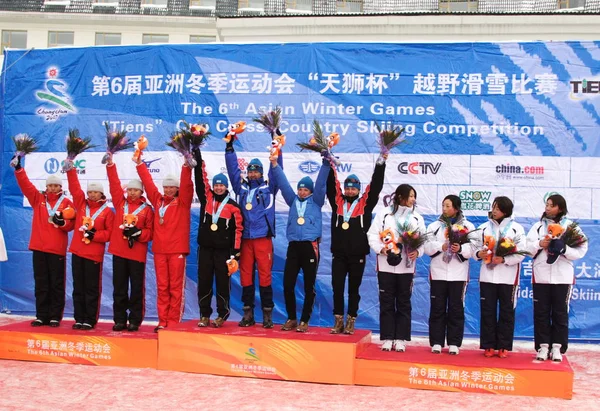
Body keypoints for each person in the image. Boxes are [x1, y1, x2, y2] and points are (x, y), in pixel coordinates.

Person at [326, 155, 387, 335]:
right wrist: (329, 161)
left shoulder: (365, 204)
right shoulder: (337, 202)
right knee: (337, 287)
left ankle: (351, 320)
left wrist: (380, 164)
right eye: (348, 188)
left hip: (357, 255)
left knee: (354, 289)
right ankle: (338, 321)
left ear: (358, 190)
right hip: (339, 254)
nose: (350, 191)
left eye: (354, 188)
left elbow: (375, 186)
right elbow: (331, 184)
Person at [12, 156, 75, 327]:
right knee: (41, 283)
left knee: (56, 284)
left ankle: (55, 316)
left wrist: (63, 224)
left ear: (61, 188)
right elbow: (26, 185)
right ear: (46, 187)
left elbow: (71, 225)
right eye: (50, 185)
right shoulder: (38, 199)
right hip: (39, 248)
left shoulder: (67, 203)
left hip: (56, 249)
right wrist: (19, 169)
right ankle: (41, 315)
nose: (53, 188)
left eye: (56, 185)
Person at [225, 138, 282, 327]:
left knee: (265, 275)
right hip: (245, 240)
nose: (253, 173)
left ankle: (267, 315)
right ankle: (248, 314)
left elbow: (277, 172)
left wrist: (276, 152)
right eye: (250, 171)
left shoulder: (269, 187)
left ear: (261, 172)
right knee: (245, 276)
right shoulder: (240, 188)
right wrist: (229, 148)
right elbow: (233, 171)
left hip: (263, 238)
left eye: (256, 170)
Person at [270, 154, 330, 332]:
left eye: (305, 190)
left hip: (310, 246)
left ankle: (304, 320)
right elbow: (283, 184)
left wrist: (326, 162)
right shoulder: (292, 200)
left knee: (308, 285)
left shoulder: (317, 201)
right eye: (300, 189)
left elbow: (320, 183)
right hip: (294, 246)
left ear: (310, 191)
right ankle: (291, 318)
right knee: (288, 284)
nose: (302, 192)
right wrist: (274, 165)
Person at [526, 193, 588, 362]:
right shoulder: (538, 226)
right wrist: (540, 244)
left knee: (560, 313)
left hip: (563, 278)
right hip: (541, 276)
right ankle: (543, 347)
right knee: (541, 312)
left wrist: (564, 249)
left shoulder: (570, 227)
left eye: (551, 205)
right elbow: (526, 247)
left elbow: (581, 249)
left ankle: (557, 347)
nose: (547, 208)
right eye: (546, 204)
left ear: (560, 208)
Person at [136, 157, 193, 333]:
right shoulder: (157, 200)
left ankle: (173, 321)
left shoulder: (183, 202)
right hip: (160, 251)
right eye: (166, 187)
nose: (168, 190)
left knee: (176, 288)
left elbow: (187, 185)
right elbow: (148, 182)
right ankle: (162, 320)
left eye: (171, 187)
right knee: (162, 287)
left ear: (177, 189)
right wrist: (139, 164)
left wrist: (186, 166)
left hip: (177, 251)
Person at [367, 184, 425, 352]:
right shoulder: (384, 214)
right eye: (411, 196)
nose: (413, 199)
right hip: (385, 265)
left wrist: (418, 252)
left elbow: (422, 240)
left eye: (414, 196)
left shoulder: (416, 218)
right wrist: (382, 249)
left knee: (404, 303)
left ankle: (400, 338)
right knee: (386, 302)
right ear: (401, 197)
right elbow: (372, 235)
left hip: (406, 268)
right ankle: (387, 337)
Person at [193, 148, 243, 328]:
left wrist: (236, 253)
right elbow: (200, 178)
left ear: (226, 187)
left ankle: (222, 314)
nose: (218, 187)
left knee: (223, 284)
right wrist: (197, 154)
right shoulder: (206, 199)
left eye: (221, 185)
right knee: (204, 282)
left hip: (224, 252)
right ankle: (204, 315)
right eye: (216, 185)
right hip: (205, 249)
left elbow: (238, 230)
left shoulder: (233, 207)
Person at [106, 155, 154, 332]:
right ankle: (119, 319)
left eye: (136, 190)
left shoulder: (147, 210)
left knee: (136, 290)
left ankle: (135, 320)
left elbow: (151, 233)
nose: (132, 192)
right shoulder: (120, 203)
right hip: (119, 252)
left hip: (137, 255)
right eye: (131, 190)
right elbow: (113, 184)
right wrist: (110, 165)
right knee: (119, 289)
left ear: (142, 192)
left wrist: (139, 233)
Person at [474, 196, 526, 358]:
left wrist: (504, 259)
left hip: (508, 278)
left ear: (505, 210)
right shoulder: (483, 228)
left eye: (497, 208)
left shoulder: (516, 229)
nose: (494, 211)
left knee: (506, 311)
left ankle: (503, 345)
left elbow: (521, 253)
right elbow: (473, 248)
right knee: (487, 311)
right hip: (487, 276)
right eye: (493, 207)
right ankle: (488, 345)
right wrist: (479, 253)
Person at [424, 195, 475, 355]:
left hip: (458, 274)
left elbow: (473, 249)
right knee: (437, 308)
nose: (444, 209)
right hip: (438, 272)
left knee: (456, 308)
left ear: (456, 208)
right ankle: (437, 342)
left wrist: (459, 249)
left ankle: (454, 342)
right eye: (443, 205)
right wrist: (442, 245)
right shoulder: (434, 226)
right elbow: (427, 247)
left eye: (448, 206)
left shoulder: (467, 226)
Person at [66, 163, 114, 330]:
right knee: (78, 287)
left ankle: (90, 319)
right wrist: (70, 169)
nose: (92, 195)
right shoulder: (80, 204)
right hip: (78, 252)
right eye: (90, 192)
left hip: (93, 254)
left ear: (102, 193)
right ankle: (79, 318)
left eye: (95, 192)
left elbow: (109, 234)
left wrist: (95, 235)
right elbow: (74, 188)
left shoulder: (107, 212)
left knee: (91, 288)